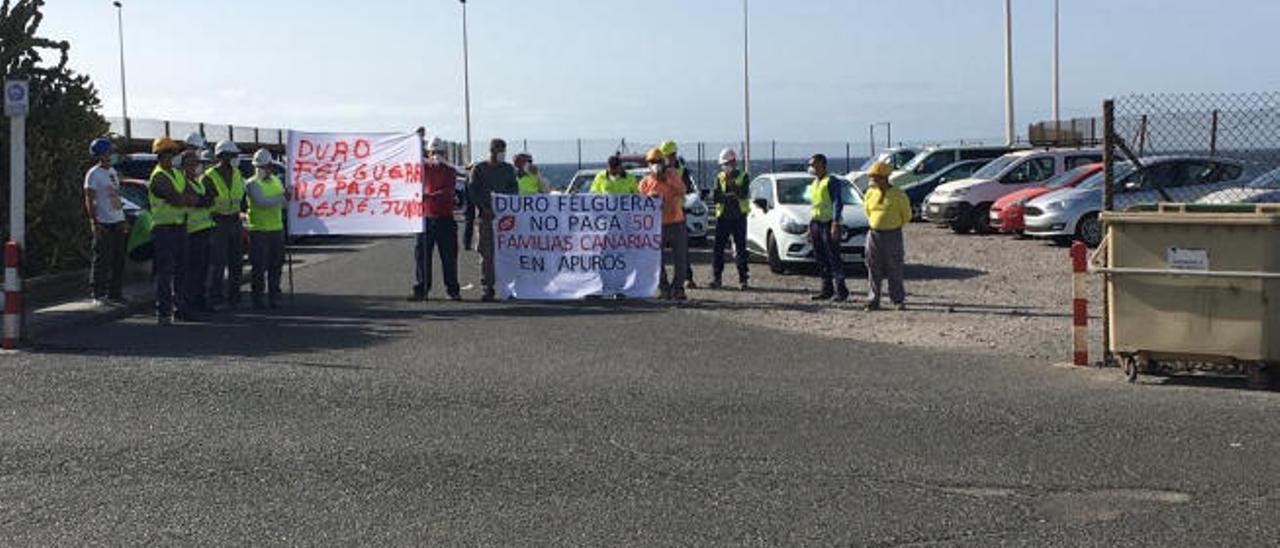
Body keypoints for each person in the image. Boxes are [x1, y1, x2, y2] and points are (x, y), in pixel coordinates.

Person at [147, 137, 197, 325]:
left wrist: (187, 198)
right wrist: (187, 199)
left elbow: (191, 195)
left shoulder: (176, 173)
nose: (175, 157)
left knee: (182, 270)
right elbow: (177, 199)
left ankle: (180, 308)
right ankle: (164, 312)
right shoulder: (158, 176)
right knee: (165, 272)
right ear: (162, 155)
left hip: (179, 226)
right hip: (164, 229)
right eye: (172, 154)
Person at [410, 137, 463, 302]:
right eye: (434, 152)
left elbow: (447, 192)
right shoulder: (422, 169)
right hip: (425, 219)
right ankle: (422, 289)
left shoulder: (449, 171)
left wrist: (427, 196)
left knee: (449, 257)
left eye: (439, 152)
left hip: (445, 219)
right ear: (428, 152)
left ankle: (453, 290)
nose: (436, 155)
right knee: (422, 257)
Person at [467, 138, 518, 302]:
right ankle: (487, 287)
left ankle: (508, 287)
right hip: (485, 218)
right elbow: (472, 192)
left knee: (506, 253)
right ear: (492, 150)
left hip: (504, 218)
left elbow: (513, 190)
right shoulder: (479, 169)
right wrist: (484, 208)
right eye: (499, 150)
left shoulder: (509, 169)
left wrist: (505, 207)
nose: (502, 154)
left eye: (504, 150)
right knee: (486, 253)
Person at [639, 147, 689, 301]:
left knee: (680, 258)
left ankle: (678, 289)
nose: (655, 164)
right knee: (657, 260)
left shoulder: (673, 174)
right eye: (652, 162)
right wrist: (650, 197)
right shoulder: (645, 182)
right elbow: (640, 203)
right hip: (656, 226)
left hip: (676, 222)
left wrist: (666, 180)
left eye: (658, 161)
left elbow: (682, 190)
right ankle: (664, 288)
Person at [82, 138, 127, 306]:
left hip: (117, 220)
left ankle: (115, 293)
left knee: (118, 259)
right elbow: (89, 199)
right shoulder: (93, 174)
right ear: (101, 155)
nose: (111, 155)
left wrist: (122, 218)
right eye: (108, 152)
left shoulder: (113, 172)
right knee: (102, 258)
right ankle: (98, 293)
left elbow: (116, 197)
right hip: (103, 222)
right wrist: (94, 222)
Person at [862, 161, 912, 311]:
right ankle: (873, 299)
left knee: (894, 266)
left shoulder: (898, 194)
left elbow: (906, 215)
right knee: (872, 266)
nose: (873, 181)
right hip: (874, 233)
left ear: (885, 177)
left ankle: (897, 299)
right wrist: (876, 223)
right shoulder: (870, 193)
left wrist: (892, 224)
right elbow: (867, 211)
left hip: (892, 233)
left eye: (876, 178)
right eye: (872, 178)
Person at [246, 149, 290, 309]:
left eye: (265, 166)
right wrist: (282, 197)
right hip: (258, 230)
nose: (263, 169)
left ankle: (274, 296)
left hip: (276, 229)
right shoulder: (251, 184)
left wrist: (287, 198)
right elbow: (262, 202)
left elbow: (284, 205)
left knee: (276, 265)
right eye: (260, 166)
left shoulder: (276, 182)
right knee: (259, 266)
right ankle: (257, 297)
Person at [204, 140, 246, 311]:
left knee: (237, 262)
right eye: (232, 155)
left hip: (235, 220)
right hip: (218, 221)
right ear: (222, 156)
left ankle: (234, 297)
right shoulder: (209, 176)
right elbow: (206, 200)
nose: (235, 158)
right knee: (218, 263)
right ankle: (216, 298)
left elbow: (242, 198)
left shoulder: (237, 174)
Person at [805, 154, 849, 302]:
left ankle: (841, 291)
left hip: (829, 223)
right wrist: (810, 227)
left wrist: (836, 223)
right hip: (816, 223)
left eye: (814, 164)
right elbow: (814, 206)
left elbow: (838, 202)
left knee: (833, 257)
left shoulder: (831, 181)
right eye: (810, 164)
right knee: (820, 258)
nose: (811, 167)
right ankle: (826, 289)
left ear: (822, 164)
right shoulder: (814, 183)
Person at [659, 139, 699, 289]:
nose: (669, 158)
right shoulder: (658, 170)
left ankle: (687, 278)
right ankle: (661, 283)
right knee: (659, 253)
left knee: (681, 251)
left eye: (671, 155)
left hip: (678, 213)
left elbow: (686, 189)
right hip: (661, 215)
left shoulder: (681, 170)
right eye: (667, 155)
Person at [710, 148, 751, 290]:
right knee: (718, 249)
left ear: (733, 162)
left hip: (739, 217)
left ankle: (743, 279)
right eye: (723, 164)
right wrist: (731, 196)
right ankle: (717, 278)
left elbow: (743, 194)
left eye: (727, 163)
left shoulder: (743, 176)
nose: (725, 167)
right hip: (723, 218)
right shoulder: (719, 177)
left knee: (740, 249)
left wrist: (731, 186)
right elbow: (715, 197)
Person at [183, 150, 217, 313]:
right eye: (191, 164)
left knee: (204, 269)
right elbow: (194, 201)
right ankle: (190, 304)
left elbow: (209, 199)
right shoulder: (183, 183)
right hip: (191, 232)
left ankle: (200, 301)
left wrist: (204, 200)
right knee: (192, 271)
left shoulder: (198, 182)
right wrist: (204, 200)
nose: (195, 167)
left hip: (204, 229)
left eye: (196, 164)